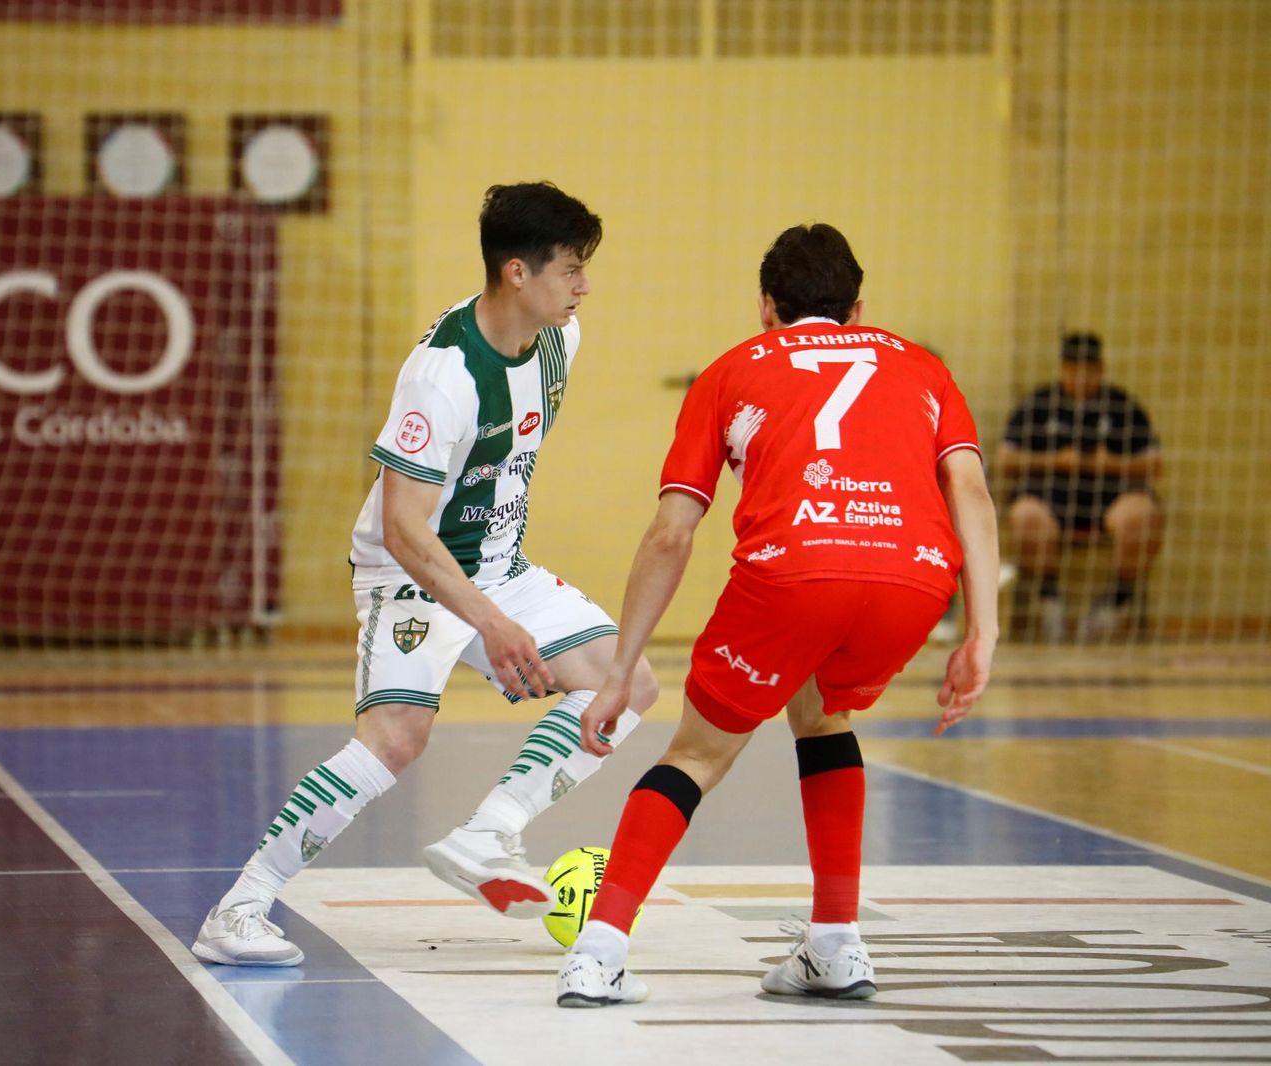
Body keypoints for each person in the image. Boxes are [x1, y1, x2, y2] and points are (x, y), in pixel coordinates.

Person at [192, 181, 658, 967]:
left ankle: (488, 833)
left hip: (497, 568)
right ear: (517, 272)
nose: (585, 286)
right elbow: (406, 528)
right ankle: (238, 909)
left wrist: (500, 601)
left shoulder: (557, 341)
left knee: (628, 681)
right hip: (411, 572)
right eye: (571, 270)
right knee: (397, 737)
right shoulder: (441, 376)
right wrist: (489, 620)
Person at [551, 223, 999, 1007]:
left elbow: (672, 530)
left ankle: (599, 949)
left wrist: (620, 670)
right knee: (822, 720)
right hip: (914, 584)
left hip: (794, 574)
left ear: (767, 308)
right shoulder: (924, 367)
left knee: (696, 755)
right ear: (859, 308)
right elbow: (970, 490)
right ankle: (835, 943)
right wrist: (983, 633)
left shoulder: (732, 370)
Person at [997, 332, 1163, 641]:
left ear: (1100, 369)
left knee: (1142, 515)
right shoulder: (1039, 403)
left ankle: (1115, 603)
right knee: (1025, 516)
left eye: (1089, 368)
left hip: (1110, 497)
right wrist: (1057, 461)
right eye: (1074, 368)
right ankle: (1050, 601)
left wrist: (1107, 464)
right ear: (1063, 368)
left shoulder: (1121, 405)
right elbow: (1006, 459)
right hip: (1049, 496)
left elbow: (1154, 465)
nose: (1081, 375)